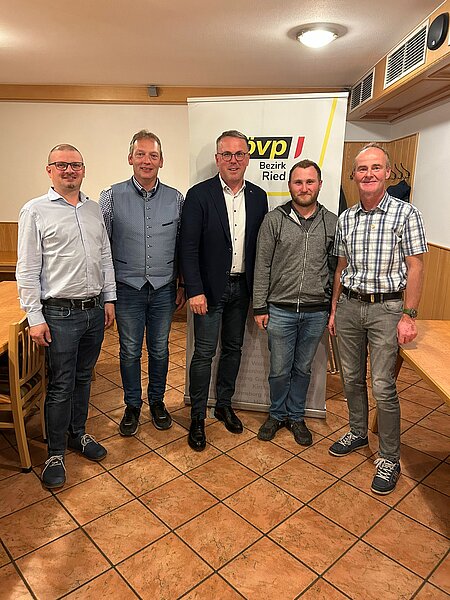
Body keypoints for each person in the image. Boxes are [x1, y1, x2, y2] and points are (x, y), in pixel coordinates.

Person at [328, 143, 427, 495]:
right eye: (362, 169)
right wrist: (335, 308)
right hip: (350, 306)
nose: (368, 174)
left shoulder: (406, 214)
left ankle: (388, 457)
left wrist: (409, 315)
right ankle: (357, 431)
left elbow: (416, 266)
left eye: (375, 168)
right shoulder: (346, 218)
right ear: (354, 175)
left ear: (387, 172)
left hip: (387, 310)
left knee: (383, 385)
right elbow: (341, 268)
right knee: (351, 378)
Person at [16, 144, 116, 489]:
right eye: (62, 164)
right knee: (61, 384)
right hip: (59, 314)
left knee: (84, 378)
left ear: (83, 170)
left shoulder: (93, 209)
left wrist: (109, 298)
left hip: (94, 311)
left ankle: (78, 434)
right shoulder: (35, 211)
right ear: (49, 170)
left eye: (75, 165)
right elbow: (27, 269)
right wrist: (34, 316)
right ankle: (55, 453)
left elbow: (105, 256)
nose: (69, 170)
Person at [180, 130, 267, 451]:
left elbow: (260, 248)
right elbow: (188, 247)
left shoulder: (258, 197)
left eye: (239, 154)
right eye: (227, 154)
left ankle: (224, 405)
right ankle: (197, 417)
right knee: (204, 354)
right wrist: (194, 290)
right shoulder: (198, 195)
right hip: (208, 292)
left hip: (242, 288)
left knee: (233, 349)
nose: (233, 160)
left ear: (247, 158)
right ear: (217, 159)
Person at [99, 130, 185, 437]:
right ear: (130, 158)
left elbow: (182, 246)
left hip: (163, 289)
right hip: (126, 290)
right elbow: (102, 247)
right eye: (140, 154)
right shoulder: (110, 196)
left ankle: (157, 402)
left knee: (160, 350)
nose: (146, 161)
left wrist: (182, 285)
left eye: (153, 155)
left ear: (161, 161)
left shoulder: (177, 198)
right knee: (129, 351)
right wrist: (107, 295)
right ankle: (132, 405)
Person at [253, 160, 337, 445]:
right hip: (280, 310)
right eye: (298, 182)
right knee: (279, 370)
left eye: (310, 182)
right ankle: (277, 414)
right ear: (290, 186)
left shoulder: (332, 222)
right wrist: (260, 306)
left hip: (316, 313)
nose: (304, 188)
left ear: (319, 185)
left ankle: (296, 417)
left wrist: (330, 307)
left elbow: (336, 269)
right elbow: (262, 265)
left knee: (302, 369)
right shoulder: (274, 220)